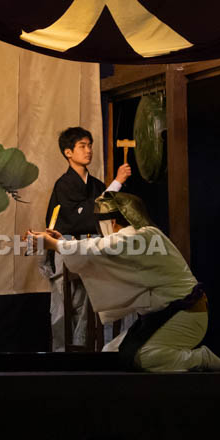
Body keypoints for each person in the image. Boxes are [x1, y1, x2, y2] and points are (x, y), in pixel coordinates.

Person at [26, 192, 220, 372]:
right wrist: (61, 242)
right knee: (111, 353)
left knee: (144, 358)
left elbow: (98, 248)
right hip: (163, 316)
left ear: (114, 222)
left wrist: (55, 244)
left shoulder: (142, 238)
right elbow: (99, 248)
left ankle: (201, 359)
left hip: (185, 315)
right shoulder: (141, 237)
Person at [41, 127, 131, 351]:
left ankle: (89, 351)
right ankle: (62, 354)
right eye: (82, 146)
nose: (88, 150)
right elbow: (81, 217)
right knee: (65, 305)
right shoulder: (64, 185)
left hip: (92, 249)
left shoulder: (97, 185)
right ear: (68, 152)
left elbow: (106, 212)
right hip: (69, 246)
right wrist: (117, 182)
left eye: (90, 145)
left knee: (90, 305)